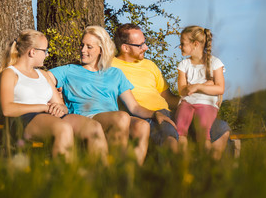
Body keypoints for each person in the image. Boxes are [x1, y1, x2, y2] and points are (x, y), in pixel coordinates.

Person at [46, 26, 176, 165]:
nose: (83, 50)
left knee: (142, 125)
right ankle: (115, 171)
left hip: (114, 118)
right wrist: (58, 102)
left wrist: (154, 113)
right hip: (85, 117)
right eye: (82, 45)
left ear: (101, 50)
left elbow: (134, 107)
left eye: (89, 47)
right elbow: (44, 77)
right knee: (121, 117)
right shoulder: (69, 70)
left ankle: (132, 171)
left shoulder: (115, 73)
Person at [111, 23, 231, 157]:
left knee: (220, 128)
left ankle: (210, 172)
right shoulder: (111, 67)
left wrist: (198, 102)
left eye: (145, 43)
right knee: (171, 138)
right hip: (146, 116)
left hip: (170, 113)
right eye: (140, 45)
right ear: (125, 48)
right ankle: (180, 172)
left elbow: (167, 97)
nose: (146, 47)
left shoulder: (149, 65)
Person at [0, 29, 108, 161]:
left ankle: (103, 177)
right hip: (24, 120)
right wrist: (42, 107)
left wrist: (60, 108)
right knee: (63, 129)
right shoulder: (10, 73)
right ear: (32, 52)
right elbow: (7, 109)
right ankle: (66, 178)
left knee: (93, 127)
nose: (47, 55)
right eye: (45, 51)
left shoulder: (43, 75)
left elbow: (62, 107)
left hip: (51, 117)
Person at [176, 25, 225, 159]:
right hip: (187, 102)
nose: (180, 47)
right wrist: (207, 84)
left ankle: (207, 165)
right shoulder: (183, 65)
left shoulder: (215, 63)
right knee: (180, 131)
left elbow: (220, 88)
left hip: (206, 104)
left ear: (195, 44)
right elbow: (182, 90)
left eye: (182, 44)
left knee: (204, 134)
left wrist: (198, 86)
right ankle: (183, 165)